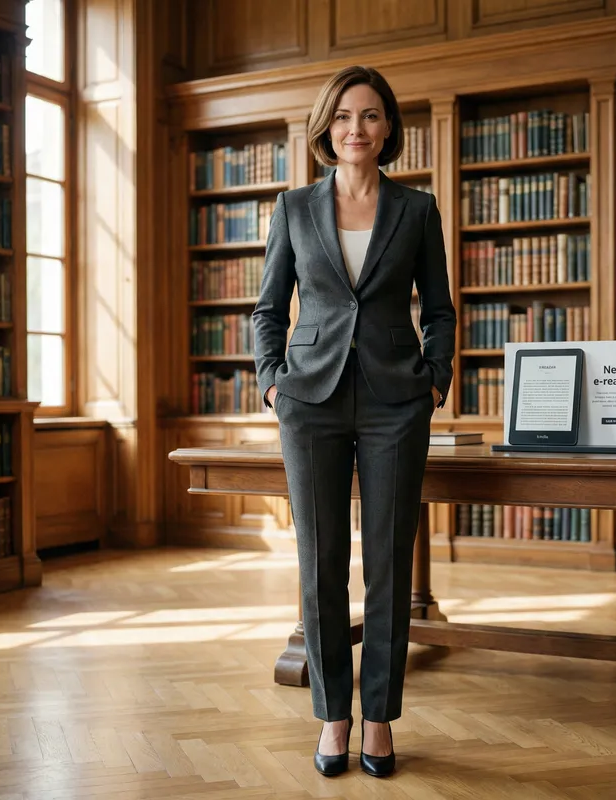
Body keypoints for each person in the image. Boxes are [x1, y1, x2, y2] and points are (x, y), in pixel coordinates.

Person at [252, 65, 456, 778]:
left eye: (369, 116)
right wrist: (271, 384)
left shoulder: (417, 209)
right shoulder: (294, 208)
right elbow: (268, 309)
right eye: (342, 117)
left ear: (389, 127)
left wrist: (435, 382)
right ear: (325, 127)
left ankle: (379, 719)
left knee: (390, 565)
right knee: (321, 562)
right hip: (309, 400)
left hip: (397, 402)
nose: (355, 129)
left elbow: (438, 310)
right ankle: (333, 717)